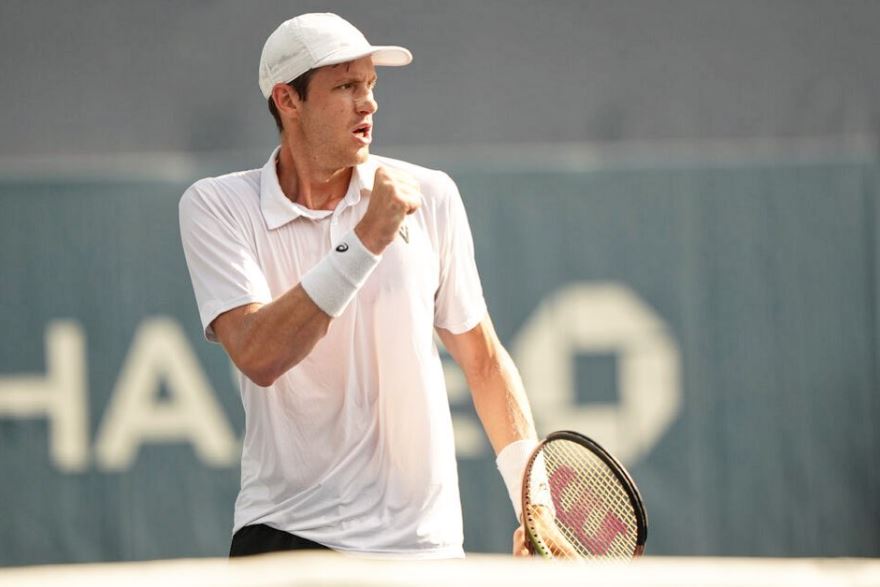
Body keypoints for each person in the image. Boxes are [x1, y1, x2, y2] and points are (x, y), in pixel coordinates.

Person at [179, 12, 537, 559]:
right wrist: (368, 236)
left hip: (424, 547)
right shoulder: (217, 207)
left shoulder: (432, 195)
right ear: (287, 100)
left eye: (370, 85)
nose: (367, 103)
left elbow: (483, 360)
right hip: (287, 538)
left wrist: (533, 503)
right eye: (346, 86)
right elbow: (259, 353)